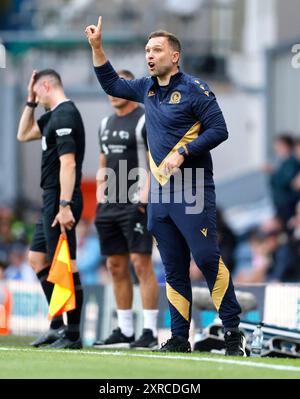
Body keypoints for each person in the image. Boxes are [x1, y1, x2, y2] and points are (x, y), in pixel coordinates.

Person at [85, 17, 246, 356]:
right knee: (172, 267)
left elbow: (220, 130)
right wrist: (97, 48)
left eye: (156, 49)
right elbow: (112, 83)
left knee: (205, 258)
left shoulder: (195, 89)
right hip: (160, 192)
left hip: (191, 187)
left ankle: (233, 333)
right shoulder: (145, 88)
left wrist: (185, 152)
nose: (149, 55)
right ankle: (177, 337)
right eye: (146, 50)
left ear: (174, 56)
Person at [17, 69, 85, 349]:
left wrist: (65, 205)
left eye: (36, 90)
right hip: (51, 200)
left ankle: (73, 335)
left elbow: (68, 164)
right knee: (37, 258)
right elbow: (23, 134)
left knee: (66, 265)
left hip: (61, 200)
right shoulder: (51, 117)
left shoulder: (66, 115)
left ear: (46, 84)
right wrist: (31, 101)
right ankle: (57, 325)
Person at [93, 69, 159, 349]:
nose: (111, 93)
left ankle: (150, 332)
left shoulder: (145, 119)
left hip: (136, 202)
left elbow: (153, 161)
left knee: (140, 264)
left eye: (115, 88)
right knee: (114, 265)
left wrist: (144, 196)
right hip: (109, 204)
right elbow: (103, 160)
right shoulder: (104, 123)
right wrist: (99, 192)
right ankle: (124, 330)